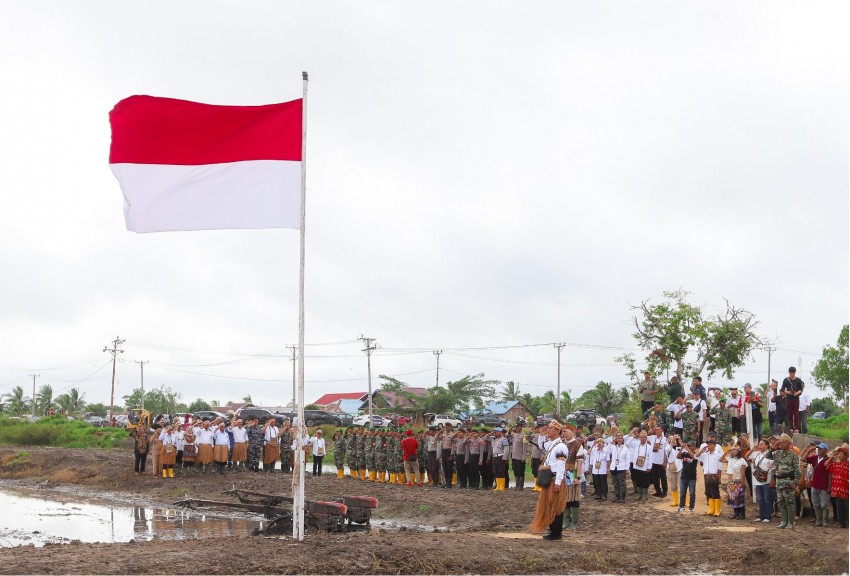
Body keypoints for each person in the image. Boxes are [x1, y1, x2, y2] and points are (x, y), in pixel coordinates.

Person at [529, 421, 569, 541]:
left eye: (551, 429)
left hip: (555, 479)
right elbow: (541, 445)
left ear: (558, 431)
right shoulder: (552, 444)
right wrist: (541, 434)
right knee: (549, 505)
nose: (548, 430)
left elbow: (561, 466)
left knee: (556, 506)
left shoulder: (561, 447)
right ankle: (552, 529)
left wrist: (557, 483)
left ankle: (557, 533)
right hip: (549, 479)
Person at [768, 433, 801, 529]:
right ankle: (784, 521)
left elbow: (797, 471)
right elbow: (767, 455)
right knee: (781, 501)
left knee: (790, 502)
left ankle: (790, 522)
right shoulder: (778, 453)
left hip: (788, 481)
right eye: (780, 442)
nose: (781, 444)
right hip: (779, 481)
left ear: (788, 443)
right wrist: (774, 446)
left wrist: (795, 483)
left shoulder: (793, 455)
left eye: (783, 442)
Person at [801, 442, 832, 527]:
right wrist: (809, 450)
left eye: (821, 449)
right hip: (814, 484)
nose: (819, 450)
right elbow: (803, 459)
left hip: (824, 485)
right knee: (816, 503)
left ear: (825, 450)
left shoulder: (828, 460)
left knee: (824, 504)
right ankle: (819, 520)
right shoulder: (814, 458)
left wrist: (829, 486)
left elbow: (830, 474)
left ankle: (825, 521)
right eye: (818, 448)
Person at [696, 433, 724, 516]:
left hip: (714, 475)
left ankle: (717, 510)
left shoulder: (718, 455)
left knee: (715, 492)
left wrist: (719, 477)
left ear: (714, 445)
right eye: (708, 444)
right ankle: (711, 509)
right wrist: (701, 451)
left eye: (710, 444)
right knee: (708, 492)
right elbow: (696, 456)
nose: (708, 445)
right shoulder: (705, 455)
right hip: (707, 475)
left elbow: (720, 467)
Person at [747, 439, 774, 522]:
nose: (760, 446)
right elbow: (746, 456)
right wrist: (752, 449)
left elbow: (773, 467)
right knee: (760, 499)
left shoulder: (770, 455)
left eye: (762, 444)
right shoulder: (756, 454)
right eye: (759, 444)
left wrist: (772, 479)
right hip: (757, 480)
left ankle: (767, 516)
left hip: (767, 480)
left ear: (767, 445)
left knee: (767, 498)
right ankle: (761, 516)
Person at [720, 446, 748, 519]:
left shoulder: (742, 460)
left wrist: (743, 483)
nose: (732, 451)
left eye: (734, 450)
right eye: (732, 450)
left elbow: (743, 473)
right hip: (731, 482)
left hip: (738, 481)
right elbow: (720, 459)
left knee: (739, 498)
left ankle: (742, 514)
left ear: (738, 452)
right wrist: (726, 452)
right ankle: (736, 513)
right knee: (733, 498)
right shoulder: (730, 459)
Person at [825, 446, 848, 529]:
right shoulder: (835, 465)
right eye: (839, 454)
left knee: (847, 508)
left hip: (846, 490)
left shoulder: (848, 465)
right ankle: (842, 524)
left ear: (845, 456)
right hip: (837, 490)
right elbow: (826, 464)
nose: (839, 455)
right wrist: (832, 456)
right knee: (840, 508)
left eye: (841, 454)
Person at [608, 432, 630, 503]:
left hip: (621, 468)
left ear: (623, 439)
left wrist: (627, 469)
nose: (619, 439)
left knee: (622, 483)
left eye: (620, 438)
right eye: (618, 438)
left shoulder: (625, 448)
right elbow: (606, 451)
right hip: (614, 467)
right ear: (616, 439)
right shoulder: (613, 447)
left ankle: (622, 498)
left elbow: (627, 459)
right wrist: (611, 442)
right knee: (615, 483)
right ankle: (617, 497)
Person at [781, 367, 804, 434]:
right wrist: (788, 392)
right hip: (788, 399)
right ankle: (791, 427)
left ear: (795, 373)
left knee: (796, 414)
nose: (791, 374)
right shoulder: (786, 380)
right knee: (789, 414)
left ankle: (796, 428)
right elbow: (782, 389)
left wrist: (796, 393)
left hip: (796, 398)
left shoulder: (799, 380)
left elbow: (800, 390)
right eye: (790, 373)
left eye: (793, 373)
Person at [677, 441, 699, 512]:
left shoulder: (696, 454)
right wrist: (681, 449)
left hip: (692, 477)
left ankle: (691, 507)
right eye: (688, 446)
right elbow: (678, 456)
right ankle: (681, 506)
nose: (689, 447)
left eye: (690, 446)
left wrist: (687, 448)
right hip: (684, 476)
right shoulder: (685, 453)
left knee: (692, 493)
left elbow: (694, 457)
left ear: (694, 447)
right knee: (682, 492)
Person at [648, 426, 668, 497]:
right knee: (655, 477)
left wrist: (665, 461)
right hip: (654, 461)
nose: (657, 431)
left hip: (661, 461)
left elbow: (666, 451)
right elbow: (646, 436)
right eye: (656, 430)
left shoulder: (665, 439)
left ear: (662, 430)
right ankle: (658, 491)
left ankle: (664, 491)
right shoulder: (653, 437)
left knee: (663, 477)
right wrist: (651, 430)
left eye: (658, 429)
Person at [509, 423, 529, 490]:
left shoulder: (524, 436)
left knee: (520, 471)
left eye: (517, 427)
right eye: (516, 427)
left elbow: (525, 448)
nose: (516, 428)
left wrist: (523, 457)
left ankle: (521, 486)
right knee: (515, 471)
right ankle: (517, 485)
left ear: (521, 427)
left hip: (520, 457)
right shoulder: (515, 435)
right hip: (514, 456)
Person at [665, 435, 683, 508]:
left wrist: (680, 441)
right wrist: (672, 441)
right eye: (672, 440)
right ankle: (675, 501)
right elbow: (669, 449)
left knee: (682, 485)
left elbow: (684, 449)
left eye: (675, 440)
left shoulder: (679, 448)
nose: (674, 441)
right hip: (671, 469)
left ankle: (684, 501)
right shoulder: (667, 448)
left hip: (680, 468)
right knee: (673, 486)